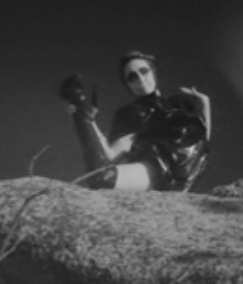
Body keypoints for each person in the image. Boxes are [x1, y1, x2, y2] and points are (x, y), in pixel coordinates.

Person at [64, 50, 212, 191]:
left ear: (153, 72)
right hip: (157, 169)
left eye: (144, 71)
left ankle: (80, 111)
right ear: (128, 85)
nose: (140, 79)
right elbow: (112, 153)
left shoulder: (177, 105)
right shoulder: (130, 112)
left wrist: (205, 104)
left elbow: (201, 141)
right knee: (101, 178)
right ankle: (79, 107)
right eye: (132, 77)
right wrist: (88, 121)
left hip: (185, 172)